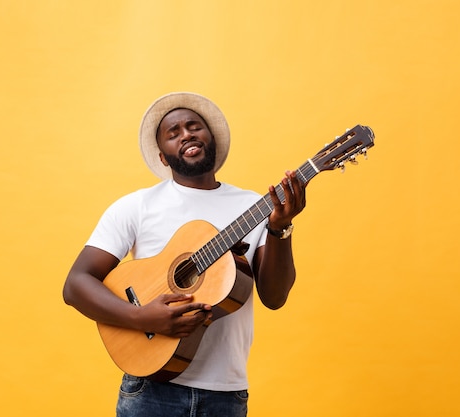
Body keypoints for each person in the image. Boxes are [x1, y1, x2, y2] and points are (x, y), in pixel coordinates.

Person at [63, 92, 307, 416]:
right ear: (163, 157)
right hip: (150, 390)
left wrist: (281, 226)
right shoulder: (137, 207)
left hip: (226, 395)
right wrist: (141, 317)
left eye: (194, 126)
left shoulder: (253, 207)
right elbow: (76, 284)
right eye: (173, 133)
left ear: (212, 138)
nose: (186, 134)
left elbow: (275, 297)